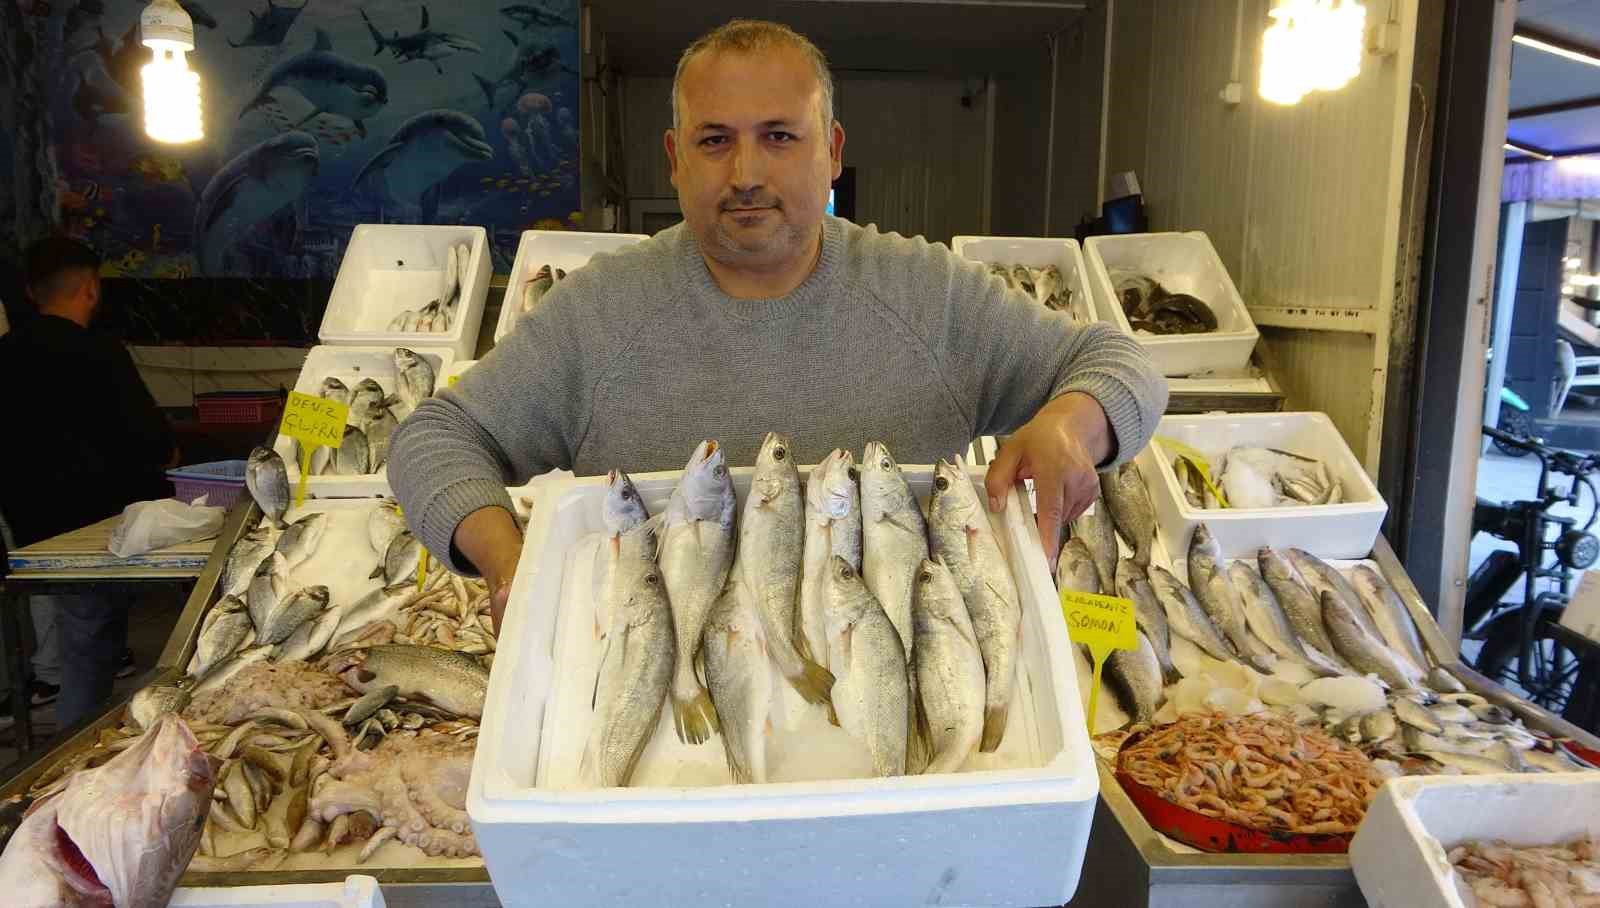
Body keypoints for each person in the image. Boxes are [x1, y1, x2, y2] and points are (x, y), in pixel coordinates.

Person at [389, 19, 1168, 632]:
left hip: (895, 700)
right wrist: (508, 563)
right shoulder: (599, 313)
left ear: (830, 153)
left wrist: (1073, 423)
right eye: (715, 140)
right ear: (675, 159)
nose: (747, 173)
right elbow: (436, 437)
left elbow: (1119, 363)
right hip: (665, 735)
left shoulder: (926, 293)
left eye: (779, 136)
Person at [0, 237, 177, 728]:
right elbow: (152, 440)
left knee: (85, 638)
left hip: (35, 531)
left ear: (33, 293)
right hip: (104, 533)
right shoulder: (99, 351)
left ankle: (84, 739)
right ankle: (77, 757)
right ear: (91, 289)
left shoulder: (6, 353)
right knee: (89, 648)